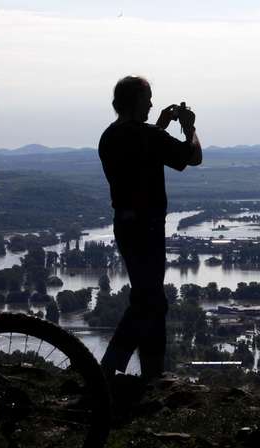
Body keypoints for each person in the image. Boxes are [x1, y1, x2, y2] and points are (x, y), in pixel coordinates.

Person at [98, 75, 202, 380]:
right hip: (148, 226)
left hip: (125, 224)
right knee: (150, 301)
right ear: (136, 102)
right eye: (148, 99)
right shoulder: (146, 136)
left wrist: (159, 125)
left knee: (151, 300)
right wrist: (190, 128)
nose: (153, 103)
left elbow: (139, 148)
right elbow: (192, 157)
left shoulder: (110, 135)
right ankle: (109, 369)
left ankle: (150, 373)